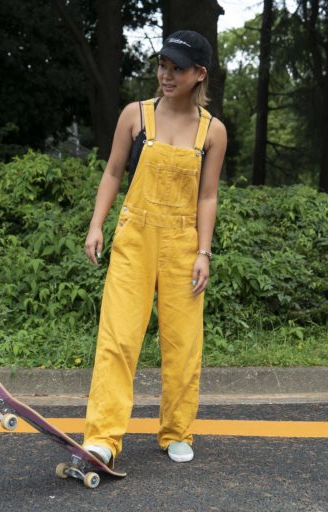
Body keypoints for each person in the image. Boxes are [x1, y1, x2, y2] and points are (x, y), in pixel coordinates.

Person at [82, 30, 227, 466]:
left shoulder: (212, 131)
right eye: (163, 65)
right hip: (135, 237)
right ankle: (103, 438)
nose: (166, 74)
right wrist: (97, 225)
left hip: (184, 243)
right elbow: (112, 172)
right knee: (118, 337)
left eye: (177, 68)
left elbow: (208, 196)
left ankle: (177, 430)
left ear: (199, 74)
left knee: (183, 344)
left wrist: (203, 252)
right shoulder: (136, 115)